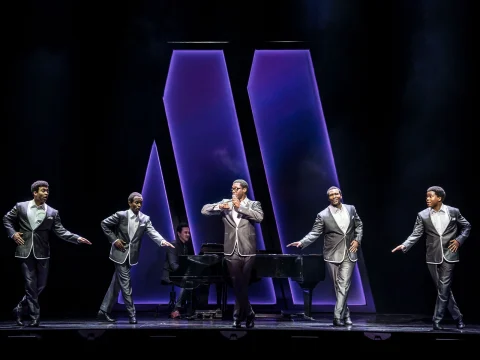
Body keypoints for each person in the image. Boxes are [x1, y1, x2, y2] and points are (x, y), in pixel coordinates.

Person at [3, 180, 91, 327]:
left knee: (41, 285)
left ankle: (19, 307)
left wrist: (77, 238)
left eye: (47, 191)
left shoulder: (52, 212)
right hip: (24, 250)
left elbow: (60, 231)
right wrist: (12, 234)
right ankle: (34, 318)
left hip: (43, 251)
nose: (46, 193)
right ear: (35, 192)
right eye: (43, 191)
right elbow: (6, 218)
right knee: (30, 284)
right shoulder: (21, 206)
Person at [392, 186, 471, 330]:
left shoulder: (453, 211)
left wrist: (459, 240)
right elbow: (416, 233)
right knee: (443, 289)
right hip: (432, 255)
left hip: (449, 254)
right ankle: (458, 317)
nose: (427, 199)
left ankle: (437, 321)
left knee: (444, 287)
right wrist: (405, 245)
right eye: (426, 196)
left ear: (439, 198)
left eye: (430, 196)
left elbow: (467, 226)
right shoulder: (423, 215)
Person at [287, 186, 363, 326]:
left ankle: (336, 316)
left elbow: (359, 225)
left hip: (350, 252)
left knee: (344, 285)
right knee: (338, 287)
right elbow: (315, 233)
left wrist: (357, 239)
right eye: (331, 195)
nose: (334, 196)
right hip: (332, 253)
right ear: (328, 198)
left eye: (336, 194)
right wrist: (302, 242)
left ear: (340, 195)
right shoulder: (323, 215)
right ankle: (346, 315)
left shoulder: (351, 209)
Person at [97, 191, 174, 324]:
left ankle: (103, 311)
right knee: (126, 284)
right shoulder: (121, 215)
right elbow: (104, 224)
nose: (139, 205)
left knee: (116, 284)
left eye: (140, 203)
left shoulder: (145, 219)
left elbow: (152, 232)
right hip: (119, 254)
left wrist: (162, 241)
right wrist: (114, 240)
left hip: (131, 256)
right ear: (130, 203)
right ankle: (132, 314)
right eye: (136, 202)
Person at [201, 179, 263, 328]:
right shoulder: (226, 202)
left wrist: (240, 207)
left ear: (244, 190)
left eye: (236, 189)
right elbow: (204, 210)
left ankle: (239, 317)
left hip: (248, 249)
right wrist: (218, 206)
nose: (233, 191)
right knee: (237, 283)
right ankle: (248, 314)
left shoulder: (254, 204)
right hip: (231, 249)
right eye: (232, 189)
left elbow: (259, 217)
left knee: (243, 284)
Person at [162, 222, 209, 319]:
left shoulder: (185, 247)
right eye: (185, 232)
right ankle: (176, 309)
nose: (188, 235)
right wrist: (186, 273)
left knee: (197, 281)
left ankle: (192, 310)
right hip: (171, 274)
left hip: (181, 274)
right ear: (179, 233)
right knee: (188, 281)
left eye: (189, 233)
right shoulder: (173, 245)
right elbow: (173, 265)